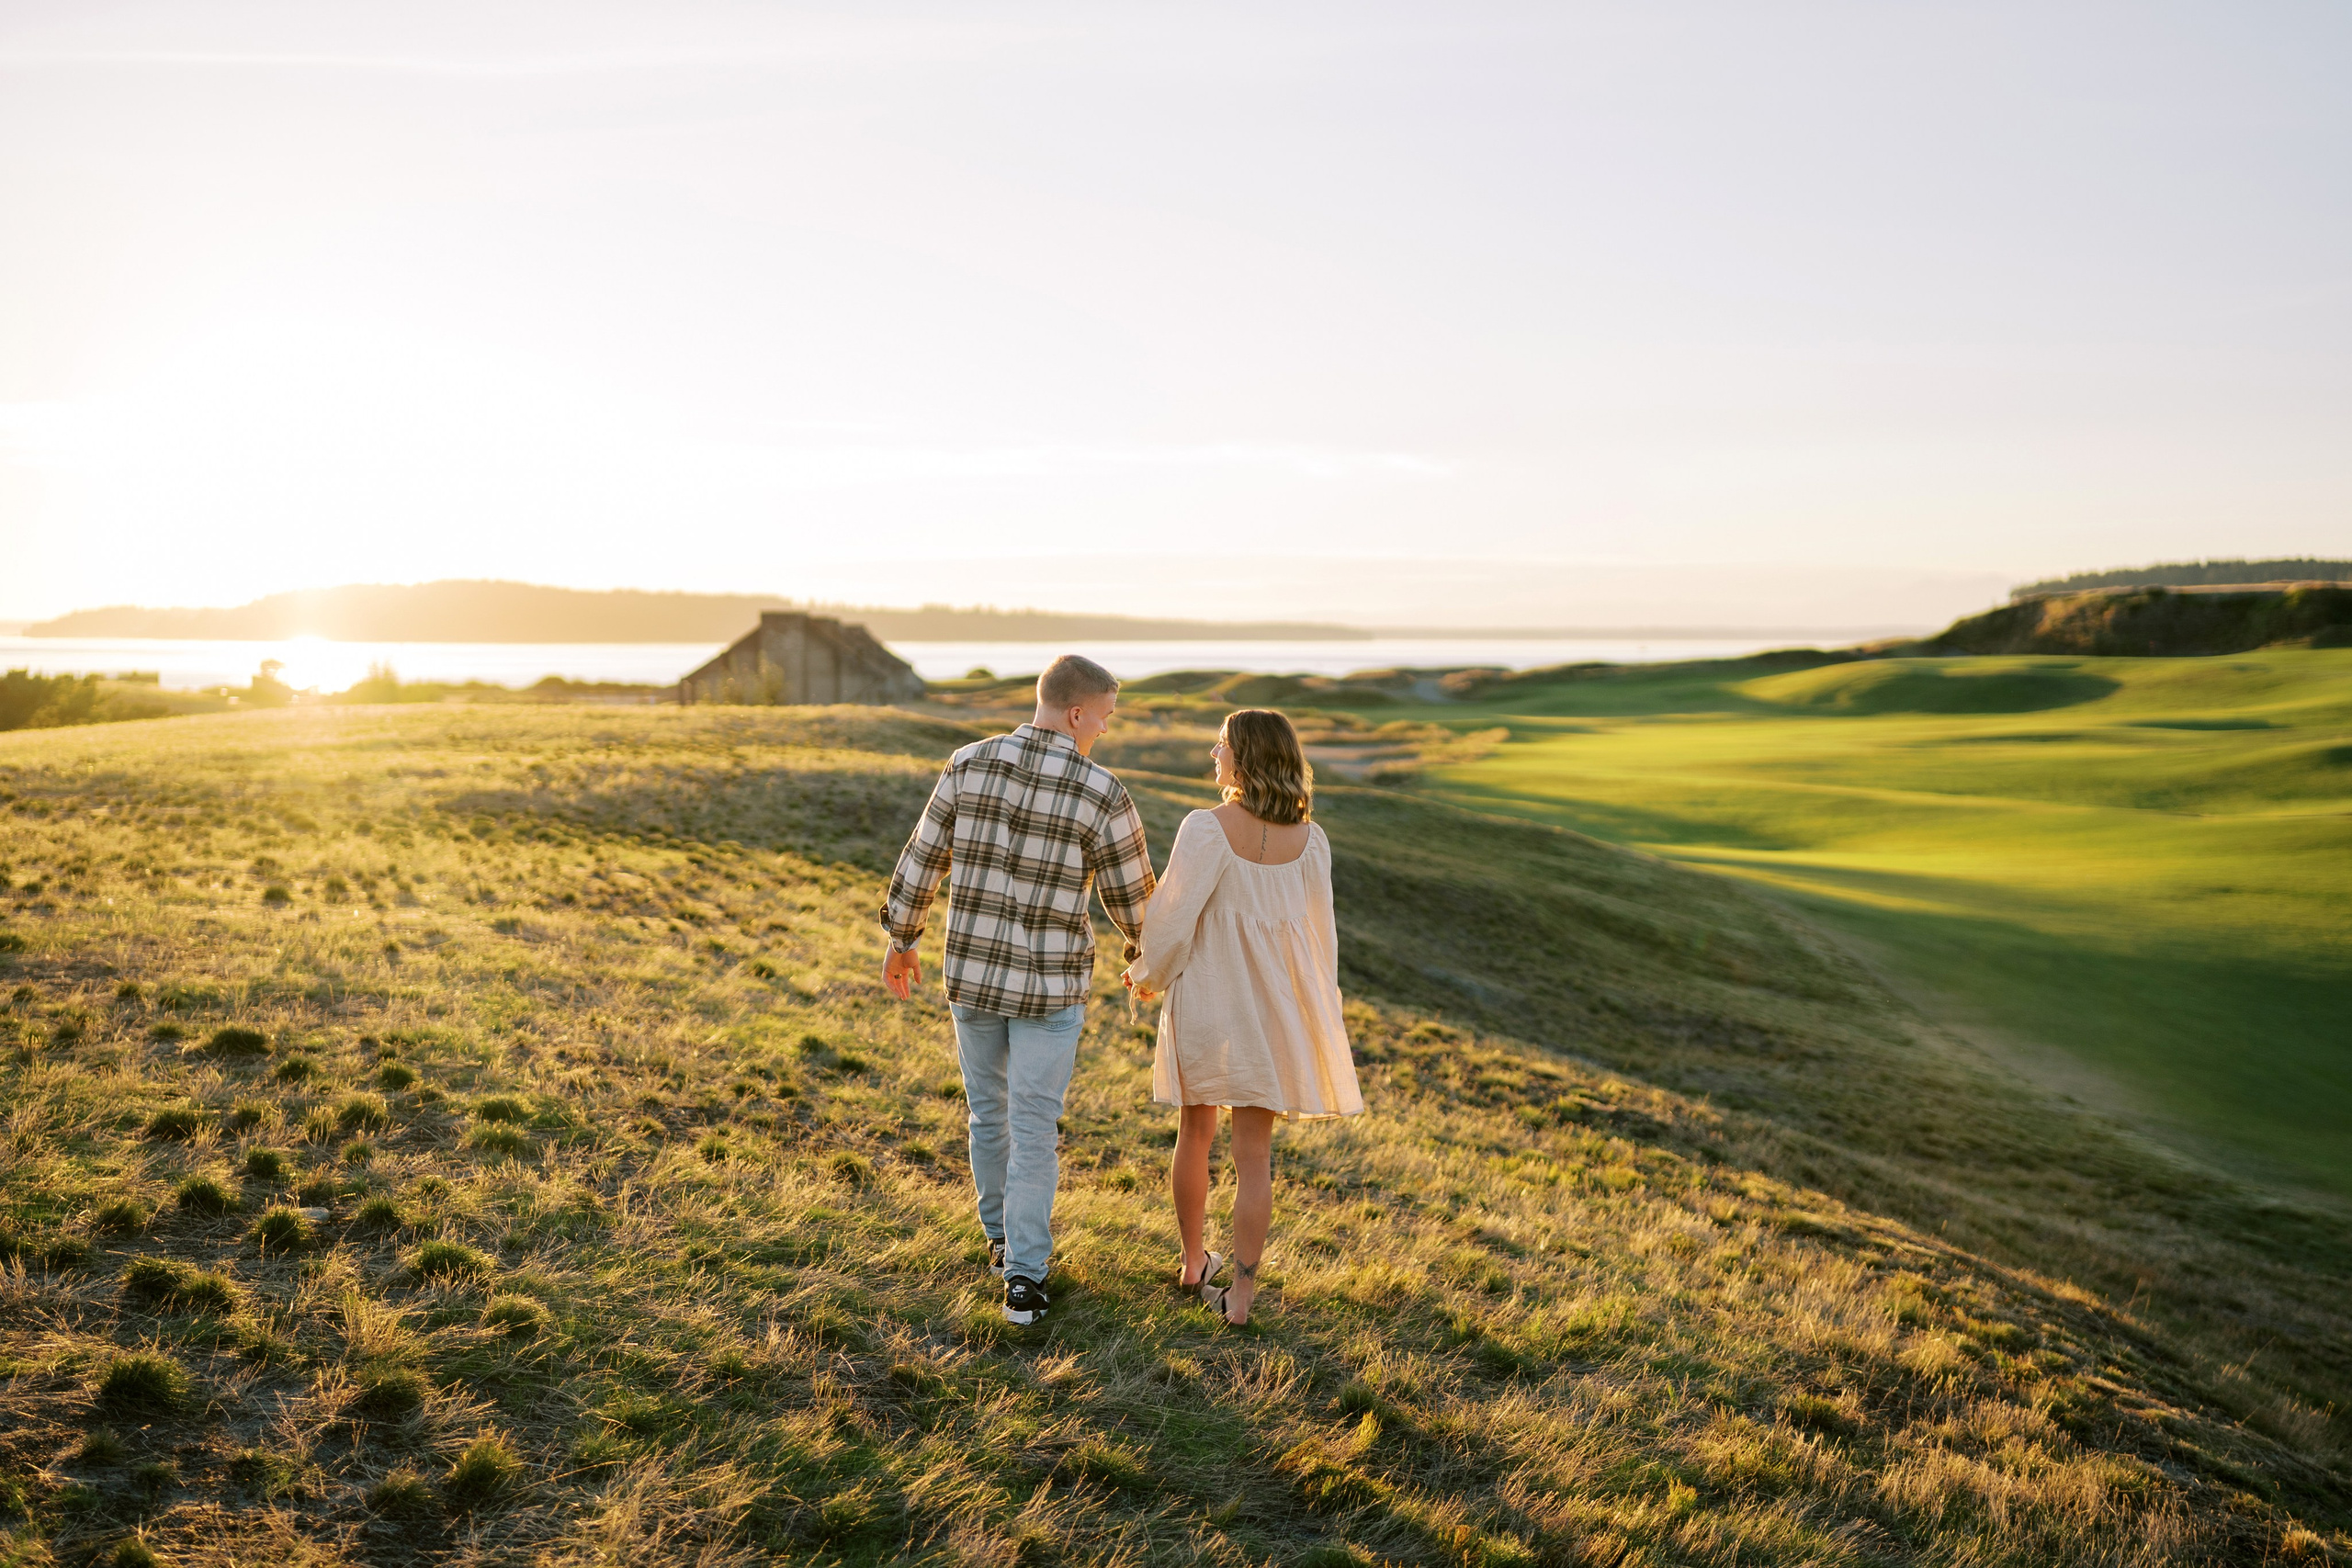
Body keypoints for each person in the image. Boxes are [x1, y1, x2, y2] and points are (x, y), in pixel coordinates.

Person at [879, 654, 1155, 1325]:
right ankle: (1024, 1279)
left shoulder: (966, 763)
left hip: (970, 975)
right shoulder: (1101, 790)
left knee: (988, 1115)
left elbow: (921, 859)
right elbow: (1137, 901)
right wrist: (1149, 956)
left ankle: (1001, 1241)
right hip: (1051, 989)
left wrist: (902, 937)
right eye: (1105, 718)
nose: (1105, 732)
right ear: (1076, 713)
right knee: (1033, 1127)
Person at [1123, 707, 1361, 1325]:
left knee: (1195, 1133)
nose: (1212, 752)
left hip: (1207, 997)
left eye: (1221, 744)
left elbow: (1171, 918)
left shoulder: (1205, 828)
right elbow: (1322, 939)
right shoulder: (1313, 841)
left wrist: (1147, 974)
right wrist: (1322, 1009)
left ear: (1246, 756)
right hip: (1275, 1011)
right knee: (1255, 1155)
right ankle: (1243, 1297)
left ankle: (1193, 1260)